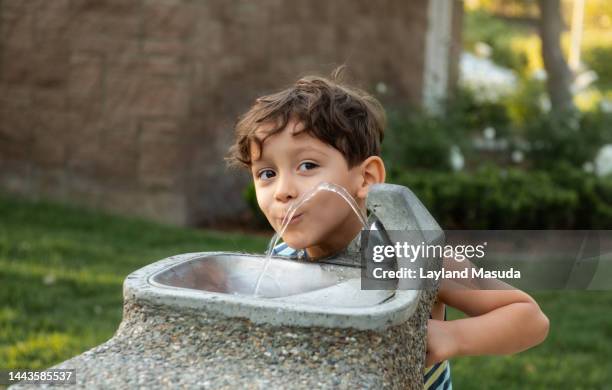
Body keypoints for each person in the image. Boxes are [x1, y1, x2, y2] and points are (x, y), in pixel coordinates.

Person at [225, 70, 550, 389]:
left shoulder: (407, 254)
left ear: (366, 178)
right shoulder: (281, 260)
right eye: (267, 173)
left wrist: (449, 337)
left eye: (307, 166)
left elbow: (528, 317)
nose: (283, 190)